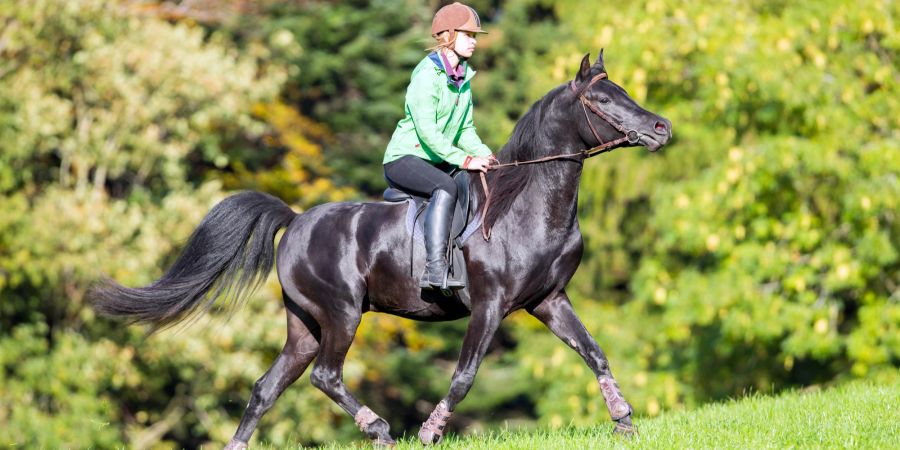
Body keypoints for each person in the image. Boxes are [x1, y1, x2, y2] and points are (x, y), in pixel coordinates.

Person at [383, 2, 495, 290]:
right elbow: (428, 132)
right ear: (448, 35)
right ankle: (435, 270)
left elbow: (465, 129)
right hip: (405, 158)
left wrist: (485, 155)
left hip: (434, 160)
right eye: (468, 35)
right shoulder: (426, 76)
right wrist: (465, 159)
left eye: (475, 37)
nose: (474, 42)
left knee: (467, 183)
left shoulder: (463, 80)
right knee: (445, 186)